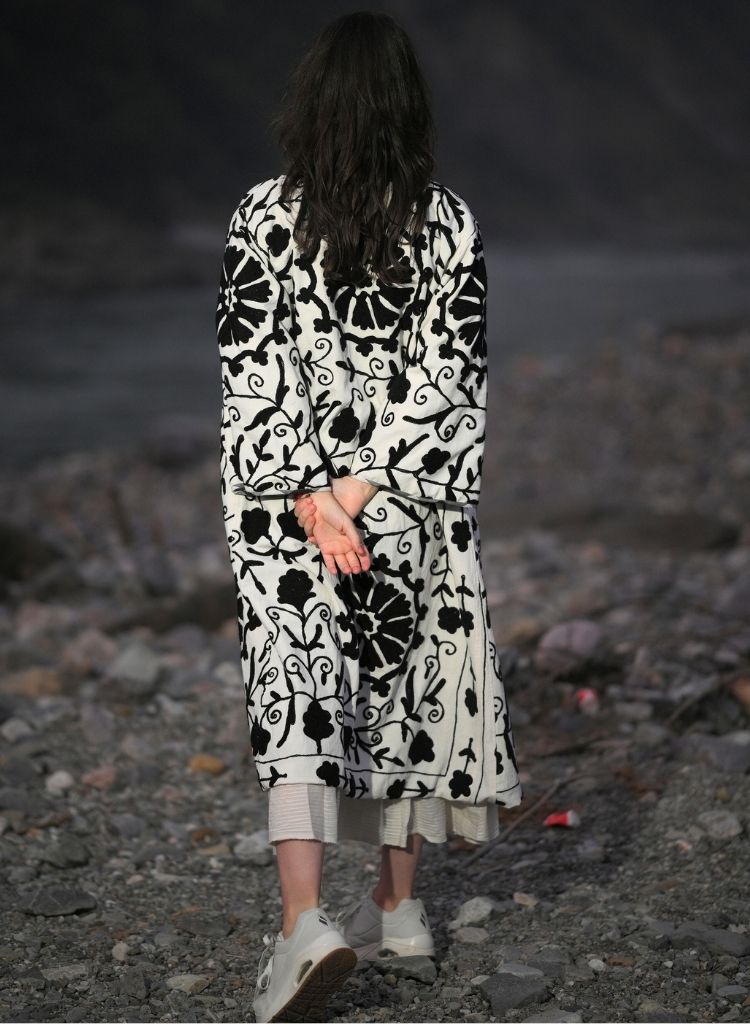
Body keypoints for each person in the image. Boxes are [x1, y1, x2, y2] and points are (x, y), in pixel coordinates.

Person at [215, 10, 523, 1022]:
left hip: (288, 516)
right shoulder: (449, 224)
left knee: (297, 700)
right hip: (402, 505)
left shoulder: (263, 215)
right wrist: (360, 491)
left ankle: (304, 925)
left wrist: (313, 495)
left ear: (311, 102)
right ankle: (400, 913)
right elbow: (451, 374)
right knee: (406, 700)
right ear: (407, 107)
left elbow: (252, 370)